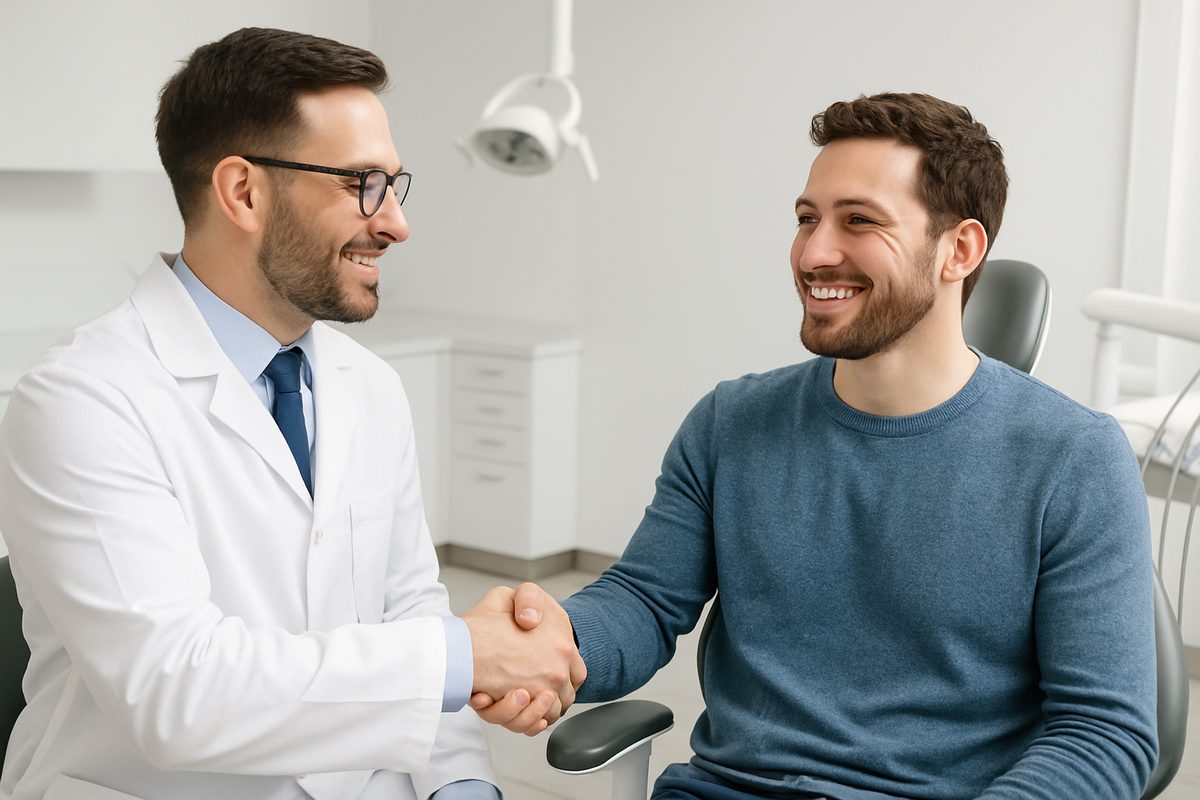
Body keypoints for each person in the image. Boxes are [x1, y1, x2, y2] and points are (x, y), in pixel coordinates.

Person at [479, 93, 1160, 799]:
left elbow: (1103, 733)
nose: (814, 252)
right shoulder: (730, 422)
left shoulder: (1073, 459)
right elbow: (644, 602)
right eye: (807, 219)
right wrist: (549, 641)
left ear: (959, 249)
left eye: (858, 221)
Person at [0, 28, 581, 800]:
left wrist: (461, 783)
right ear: (243, 191)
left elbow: (407, 608)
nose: (395, 223)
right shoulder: (81, 402)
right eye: (362, 184)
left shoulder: (367, 386)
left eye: (394, 187)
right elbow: (176, 695)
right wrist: (464, 657)